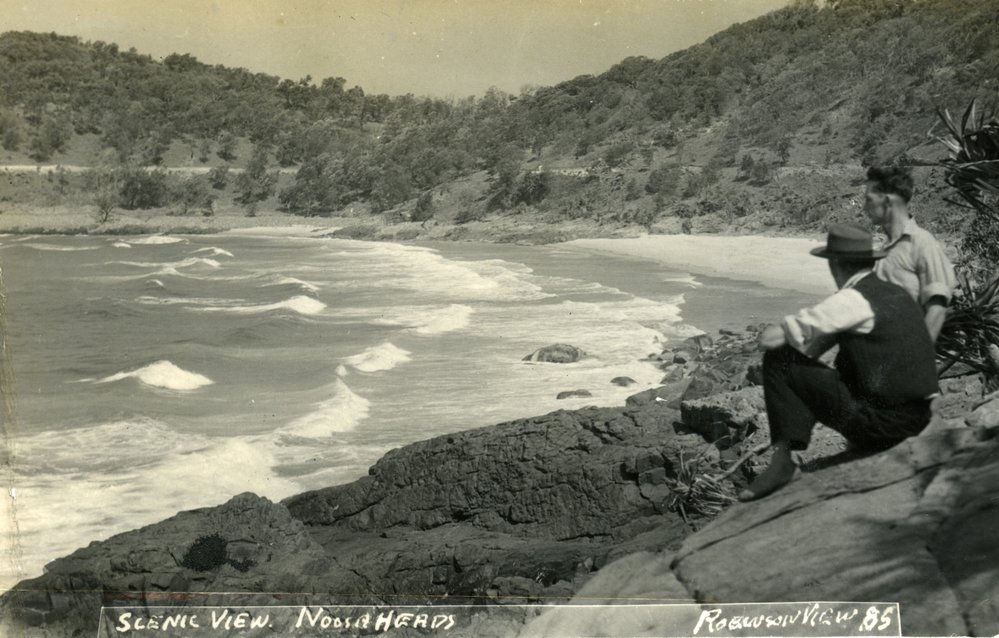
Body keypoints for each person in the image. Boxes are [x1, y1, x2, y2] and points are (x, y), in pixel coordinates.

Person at [739, 223, 939, 501]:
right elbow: (815, 352)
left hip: (884, 428)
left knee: (778, 359)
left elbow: (770, 339)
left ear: (835, 264)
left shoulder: (851, 300)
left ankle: (782, 462)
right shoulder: (897, 293)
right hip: (919, 419)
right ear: (869, 262)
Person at [864, 166, 956, 342]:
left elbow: (936, 311)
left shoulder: (922, 243)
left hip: (906, 351)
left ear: (887, 201)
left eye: (869, 199)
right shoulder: (886, 248)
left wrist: (917, 356)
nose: (864, 207)